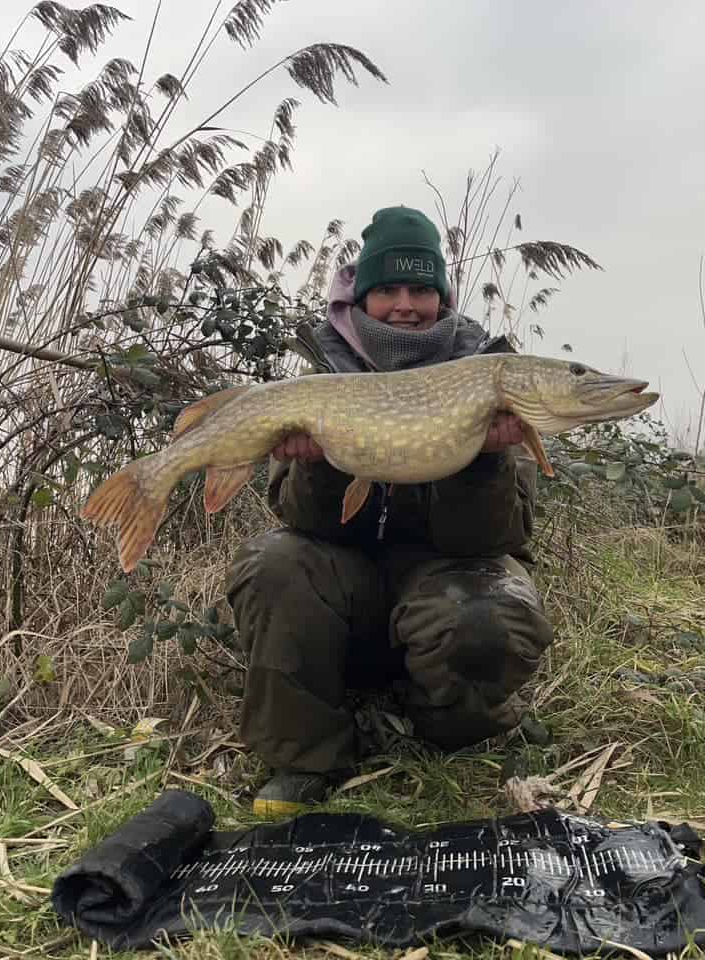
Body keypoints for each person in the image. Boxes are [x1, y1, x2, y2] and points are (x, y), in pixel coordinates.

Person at [226, 206, 554, 816]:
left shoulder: (491, 379)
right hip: (348, 586)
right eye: (388, 290)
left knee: (490, 610)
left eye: (422, 288)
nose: (406, 304)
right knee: (273, 564)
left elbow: (499, 537)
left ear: (443, 296)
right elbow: (300, 521)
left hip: (442, 579)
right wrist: (319, 465)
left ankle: (449, 729)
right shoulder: (321, 377)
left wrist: (484, 458)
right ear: (361, 297)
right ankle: (304, 753)